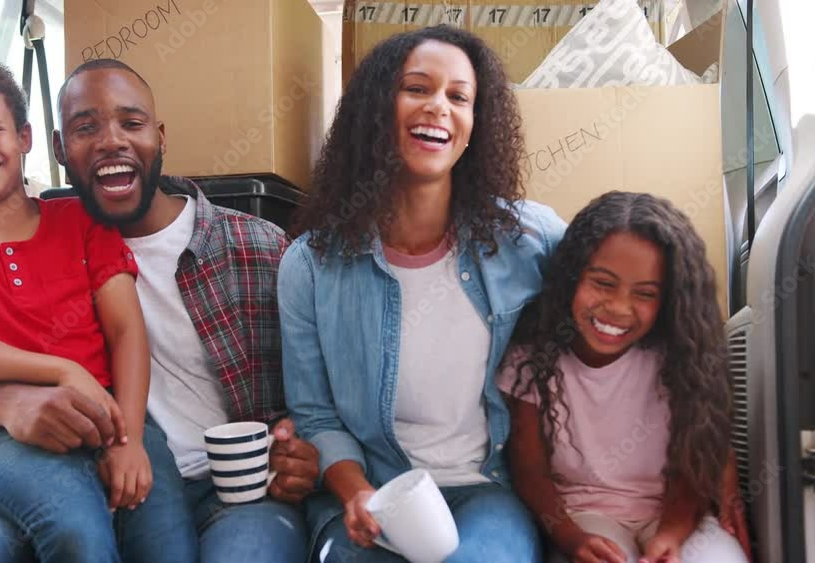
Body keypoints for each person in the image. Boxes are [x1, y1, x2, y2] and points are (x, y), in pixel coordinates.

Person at [0, 59, 319, 563]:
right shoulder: (36, 231)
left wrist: (300, 444)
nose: (111, 141)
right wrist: (7, 403)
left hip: (221, 489)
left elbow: (318, 389)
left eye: (132, 123)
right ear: (59, 148)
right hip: (63, 465)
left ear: (159, 137)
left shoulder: (255, 246)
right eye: (85, 128)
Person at [278, 26, 565, 562]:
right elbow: (315, 416)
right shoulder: (310, 266)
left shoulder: (531, 240)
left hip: (488, 490)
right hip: (376, 492)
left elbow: (623, 299)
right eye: (417, 88)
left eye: (459, 97)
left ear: (476, 125)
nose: (438, 107)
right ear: (376, 109)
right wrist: (356, 492)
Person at [0, 56, 158, 562]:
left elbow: (128, 331)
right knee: (76, 531)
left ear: (25, 138)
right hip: (2, 443)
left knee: (166, 541)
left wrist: (129, 439)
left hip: (111, 422)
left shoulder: (80, 224)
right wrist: (62, 370)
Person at [498, 192, 749, 563]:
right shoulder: (532, 361)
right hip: (584, 518)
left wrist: (671, 535)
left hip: (675, 515)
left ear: (668, 300)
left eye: (645, 293)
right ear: (571, 277)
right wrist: (571, 539)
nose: (618, 307)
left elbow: (693, 467)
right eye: (603, 283)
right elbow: (529, 471)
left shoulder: (682, 360)